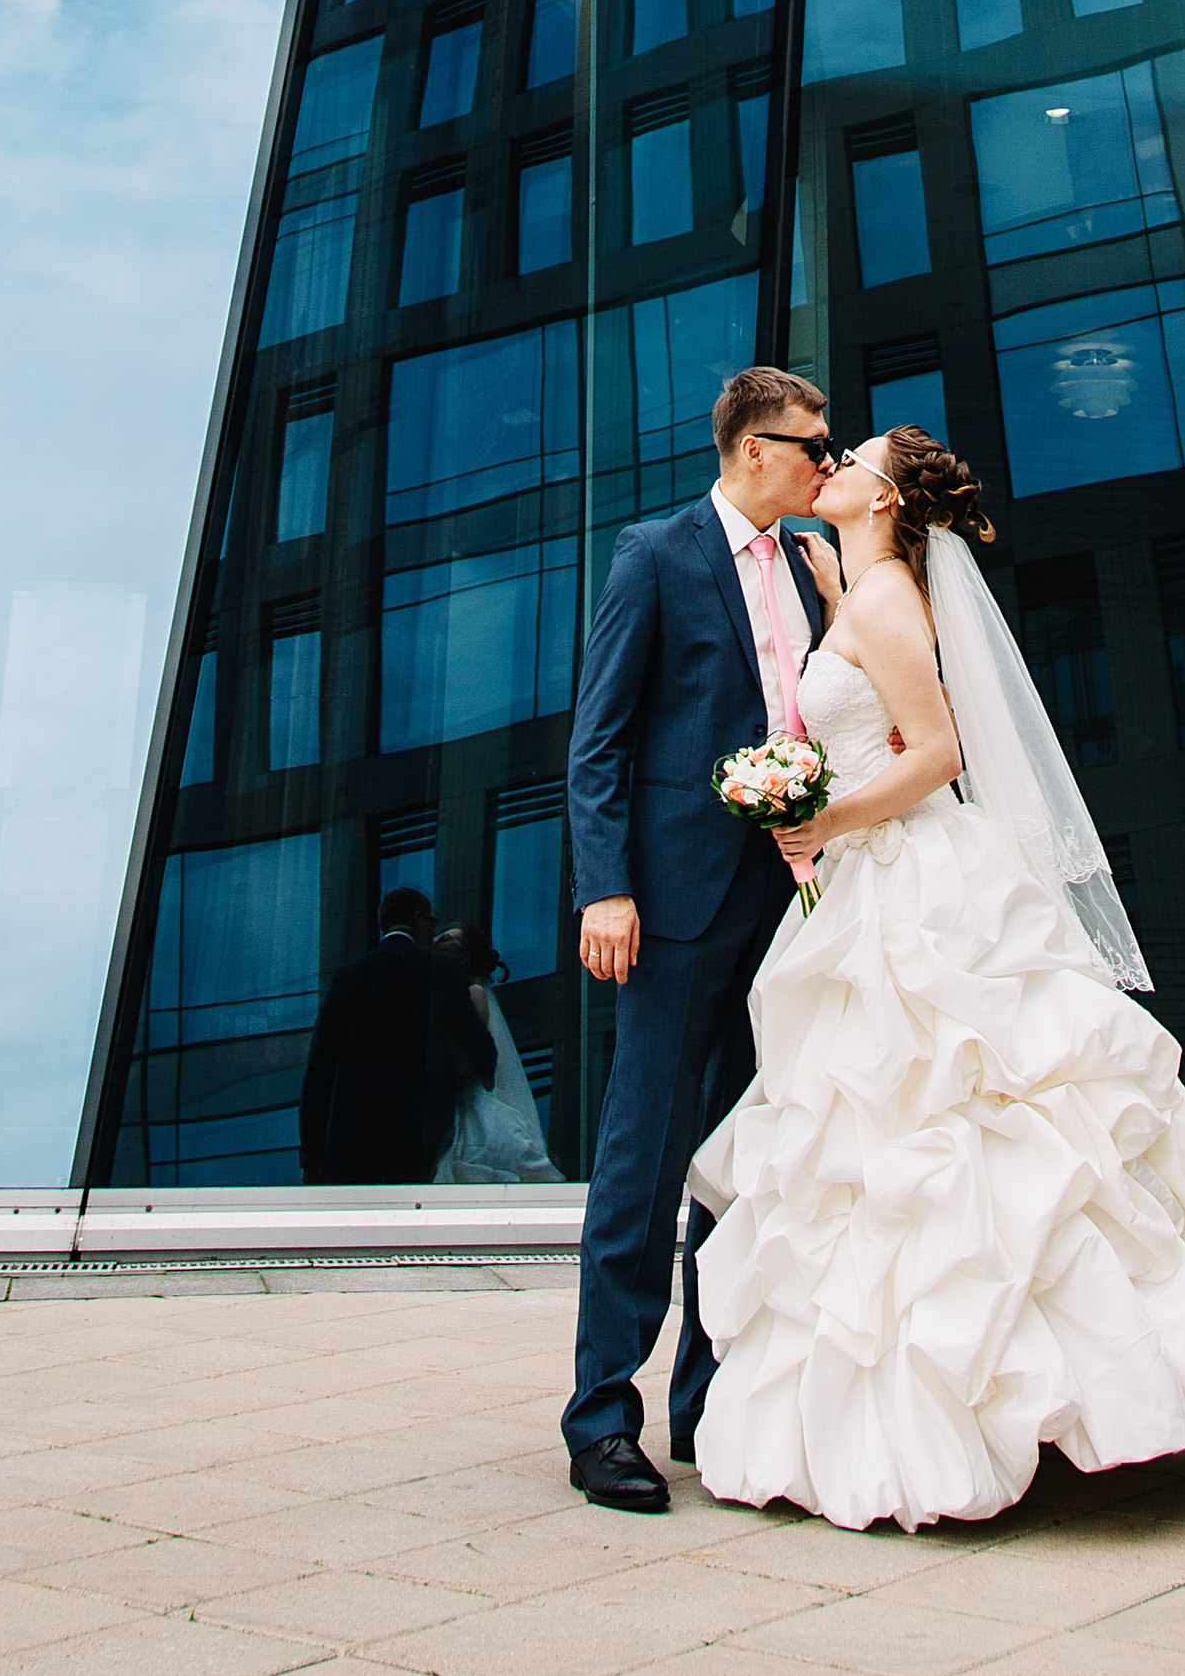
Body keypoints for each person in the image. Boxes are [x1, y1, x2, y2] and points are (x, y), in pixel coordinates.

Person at [688, 426, 1185, 1535]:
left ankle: (1003, 1402)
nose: (834, 470)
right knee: (885, 1138)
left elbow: (939, 752)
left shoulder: (888, 598)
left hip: (908, 879)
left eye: (850, 462)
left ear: (884, 500)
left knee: (955, 1128)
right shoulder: (861, 586)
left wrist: (819, 819)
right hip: (869, 882)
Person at [561, 364, 840, 1513]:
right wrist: (604, 890)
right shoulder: (657, 554)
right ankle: (600, 1421)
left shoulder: (813, 571)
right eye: (809, 442)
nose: (825, 459)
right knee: (644, 1160)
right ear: (749, 448)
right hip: (672, 908)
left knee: (744, 1167)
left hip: (789, 908)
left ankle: (708, 1403)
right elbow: (600, 740)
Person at [297, 886, 496, 1185]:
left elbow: (319, 1071)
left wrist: (311, 1157)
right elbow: (474, 1042)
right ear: (418, 920)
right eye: (431, 921)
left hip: (350, 1141)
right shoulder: (440, 969)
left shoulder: (346, 977)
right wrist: (486, 1067)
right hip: (415, 1136)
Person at [432, 923, 563, 1182]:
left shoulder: (474, 994)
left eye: (447, 938)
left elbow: (471, 1054)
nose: (437, 940)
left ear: (464, 956)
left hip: (466, 1100)